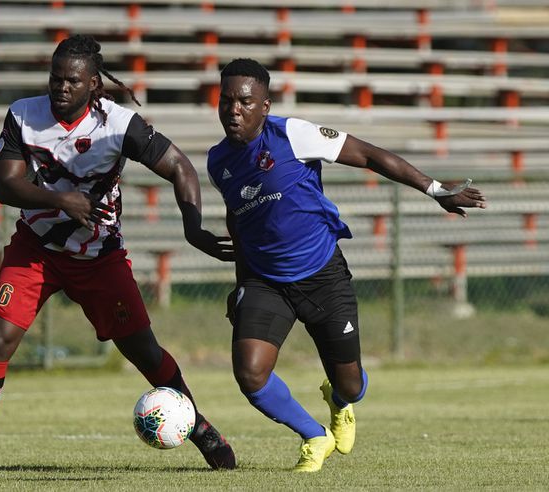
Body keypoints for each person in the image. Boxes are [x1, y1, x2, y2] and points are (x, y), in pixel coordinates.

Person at [0, 34, 236, 472]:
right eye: (55, 78)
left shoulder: (119, 124)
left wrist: (193, 227)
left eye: (71, 81)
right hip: (35, 249)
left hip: (99, 256)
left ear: (93, 84)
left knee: (144, 352)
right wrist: (61, 201)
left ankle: (201, 428)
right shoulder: (23, 114)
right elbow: (5, 185)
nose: (60, 88)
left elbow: (179, 166)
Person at [206, 58, 487, 473]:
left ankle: (339, 403)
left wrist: (435, 190)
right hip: (265, 281)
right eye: (226, 100)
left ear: (264, 106)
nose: (234, 110)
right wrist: (241, 284)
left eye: (245, 102)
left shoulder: (293, 134)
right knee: (250, 374)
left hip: (322, 275)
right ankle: (314, 436)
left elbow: (370, 155)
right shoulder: (218, 162)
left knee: (351, 386)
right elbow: (240, 224)